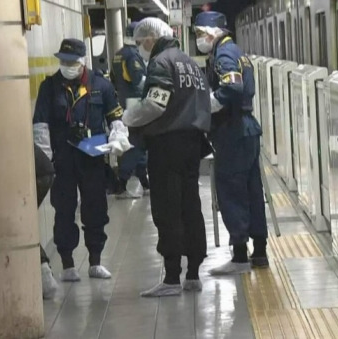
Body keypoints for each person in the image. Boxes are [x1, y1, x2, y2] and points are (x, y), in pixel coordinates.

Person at [123, 17, 212, 297]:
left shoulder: (161, 62)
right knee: (190, 206)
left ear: (152, 38)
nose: (139, 48)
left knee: (167, 207)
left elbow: (155, 104)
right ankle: (193, 274)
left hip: (167, 145)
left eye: (140, 42)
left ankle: (172, 277)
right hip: (192, 144)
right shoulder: (189, 63)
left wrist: (128, 118)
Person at [33, 38, 131, 282]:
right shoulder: (50, 87)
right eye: (63, 61)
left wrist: (118, 141)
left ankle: (95, 261)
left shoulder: (101, 85)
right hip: (62, 159)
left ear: (83, 60)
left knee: (95, 209)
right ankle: (67, 264)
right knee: (63, 210)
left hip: (93, 157)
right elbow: (40, 126)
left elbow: (116, 119)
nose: (67, 65)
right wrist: (46, 160)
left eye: (72, 61)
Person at [194, 11, 269, 275]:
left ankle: (239, 255)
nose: (198, 39)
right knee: (252, 191)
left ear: (211, 32)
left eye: (199, 34)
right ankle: (260, 251)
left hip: (232, 131)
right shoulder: (237, 51)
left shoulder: (224, 54)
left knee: (231, 192)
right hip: (246, 128)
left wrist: (208, 105)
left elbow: (232, 89)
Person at [111, 21, 150, 198]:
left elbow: (114, 79)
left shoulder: (118, 54)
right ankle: (121, 184)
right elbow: (139, 80)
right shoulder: (133, 55)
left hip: (125, 101)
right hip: (135, 102)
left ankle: (145, 184)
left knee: (139, 144)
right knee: (136, 144)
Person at [34, 144, 60, 299]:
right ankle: (44, 274)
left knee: (18, 227)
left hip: (38, 172)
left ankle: (44, 274)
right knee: (22, 225)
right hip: (44, 169)